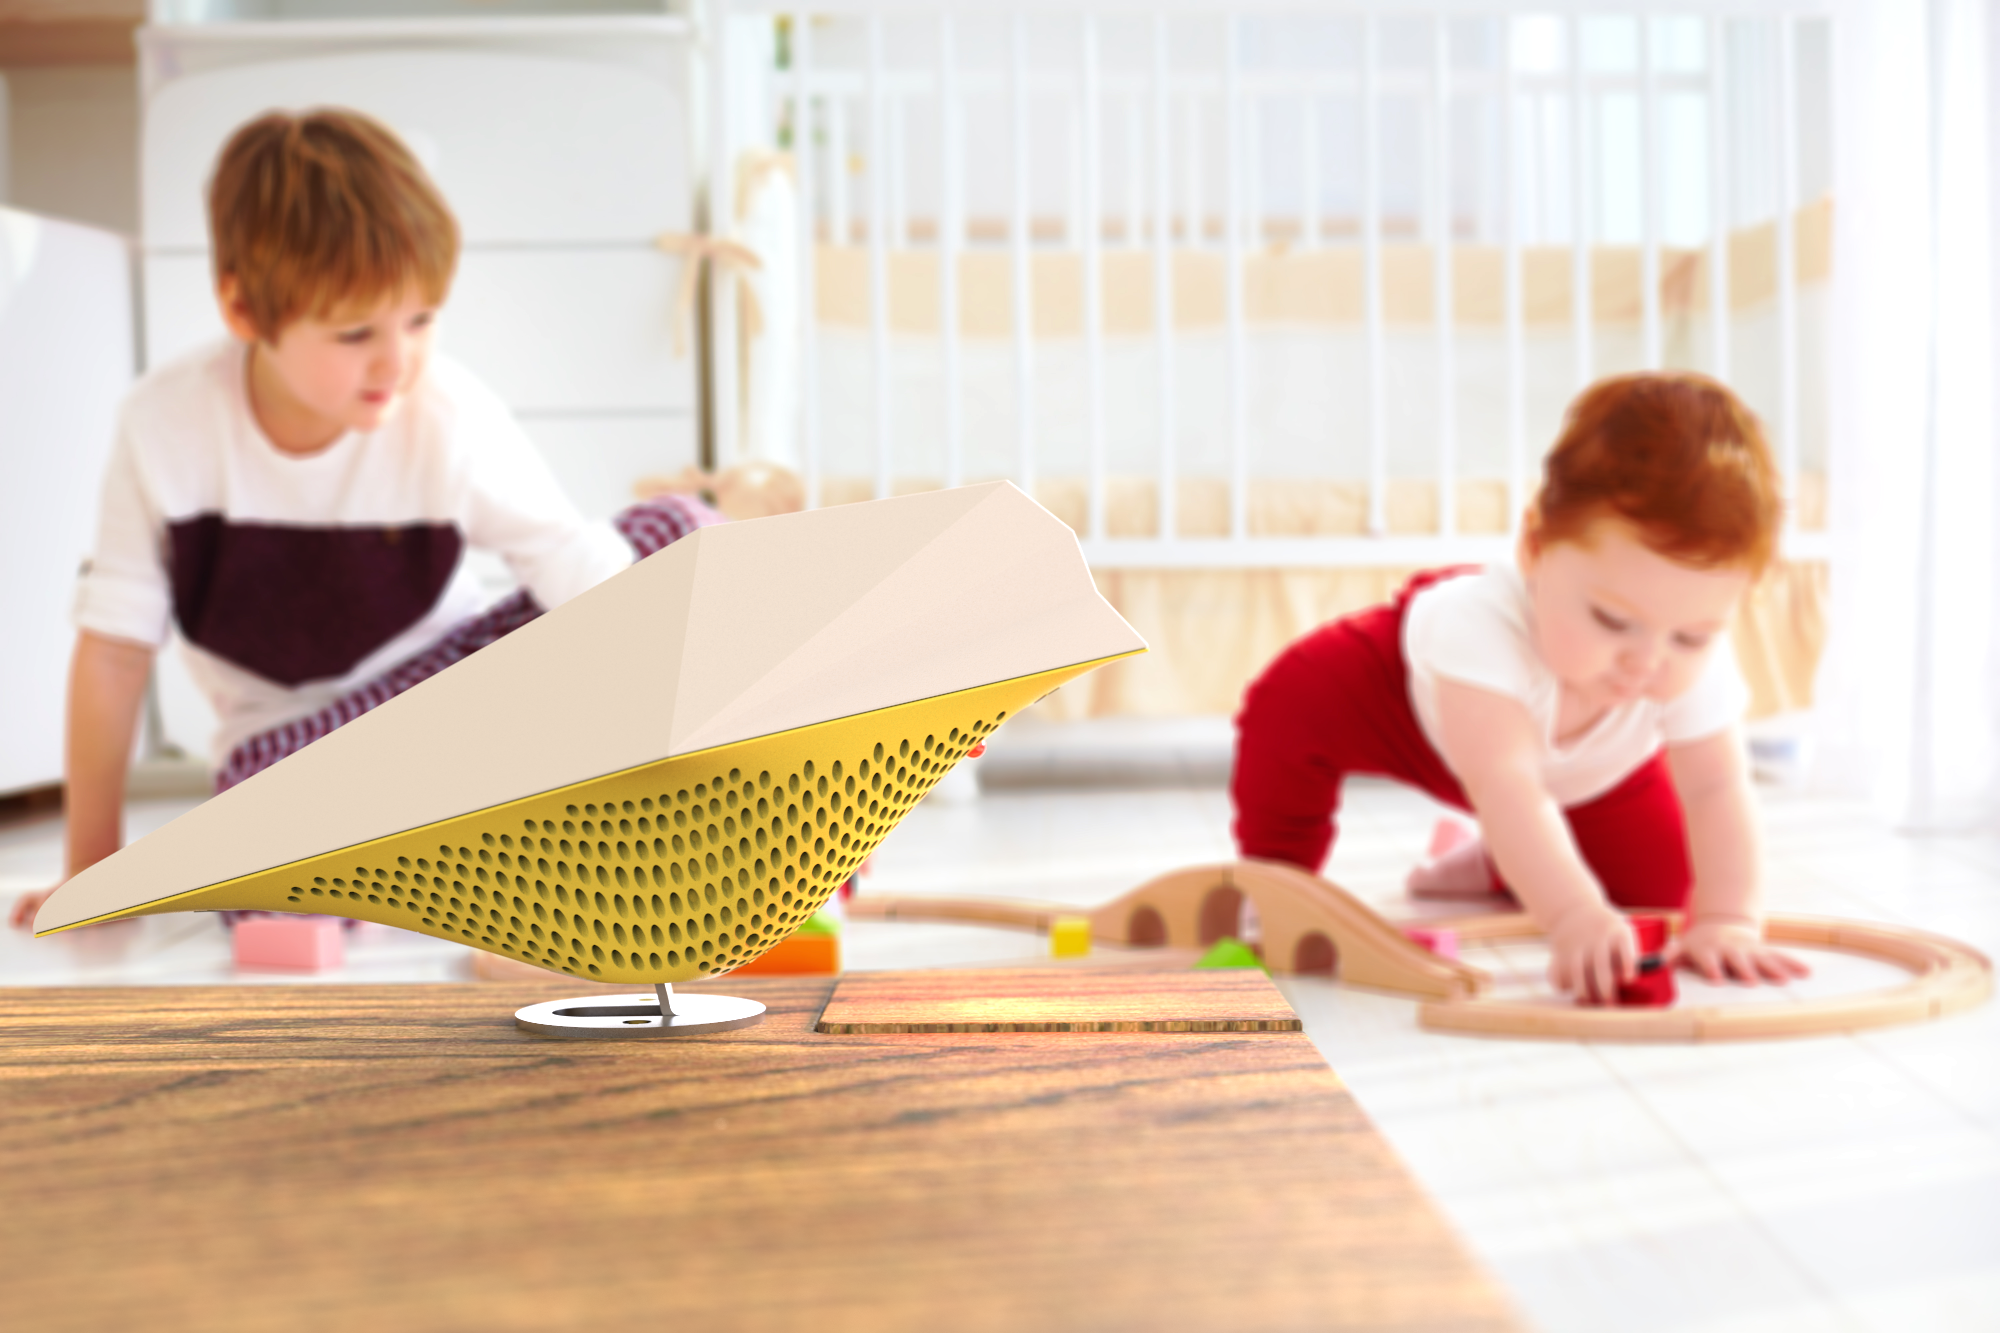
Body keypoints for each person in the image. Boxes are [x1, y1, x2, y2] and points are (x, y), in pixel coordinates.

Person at [12, 109, 716, 930]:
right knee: (257, 879)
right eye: (355, 332)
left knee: (680, 531)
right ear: (244, 312)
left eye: (421, 319)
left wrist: (714, 733)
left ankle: (524, 829)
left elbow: (573, 564)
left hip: (450, 701)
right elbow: (114, 653)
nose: (398, 361)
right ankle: (454, 849)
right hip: (294, 750)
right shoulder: (164, 424)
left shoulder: (447, 410)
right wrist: (90, 871)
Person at [1230, 373, 1809, 1002]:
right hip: (1404, 706)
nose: (1646, 661)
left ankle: (1499, 862)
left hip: (1591, 771)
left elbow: (1717, 786)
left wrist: (1728, 919)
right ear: (1534, 549)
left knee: (1659, 894)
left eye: (1691, 638)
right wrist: (1570, 916)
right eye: (1613, 621)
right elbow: (1507, 786)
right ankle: (1279, 877)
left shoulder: (1688, 663)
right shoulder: (1481, 627)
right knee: (1287, 709)